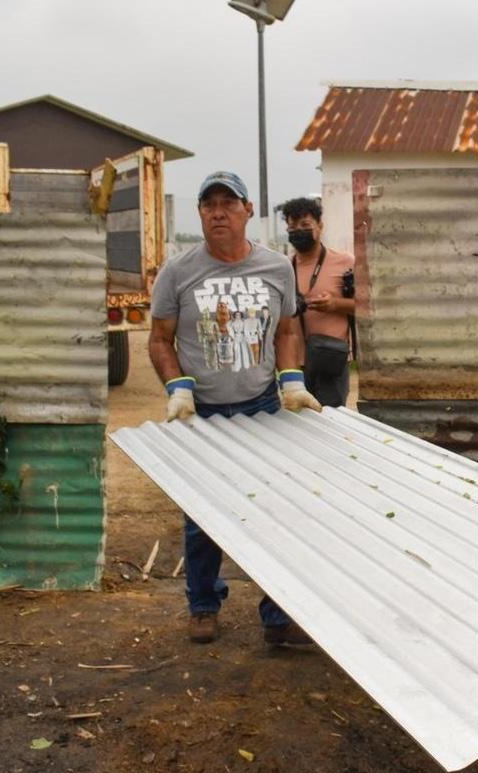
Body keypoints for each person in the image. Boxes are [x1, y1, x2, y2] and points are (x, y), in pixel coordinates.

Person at [149, 171, 322, 647]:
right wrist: (177, 387)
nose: (219, 211)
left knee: (270, 510)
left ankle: (277, 615)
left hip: (261, 407)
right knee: (203, 517)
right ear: (200, 213)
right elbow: (160, 339)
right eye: (210, 204)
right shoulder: (178, 271)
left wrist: (291, 381)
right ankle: (203, 604)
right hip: (199, 410)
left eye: (229, 202)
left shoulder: (275, 268)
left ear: (248, 211)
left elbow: (287, 329)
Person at [281, 196, 356, 407]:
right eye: (292, 226)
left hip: (331, 361)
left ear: (320, 225)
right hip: (294, 366)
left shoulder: (345, 262)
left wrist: (335, 304)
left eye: (305, 225)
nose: (298, 230)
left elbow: (368, 307)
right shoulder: (283, 267)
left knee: (333, 423)